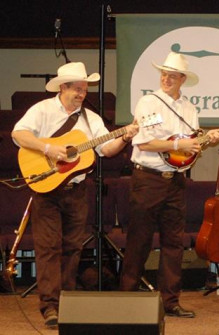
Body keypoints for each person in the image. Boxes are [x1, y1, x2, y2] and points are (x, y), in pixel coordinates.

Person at [11, 61, 139, 327]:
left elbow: (107, 150)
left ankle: (65, 302)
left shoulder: (91, 119)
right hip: (46, 190)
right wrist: (48, 148)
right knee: (48, 247)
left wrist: (126, 136)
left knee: (72, 248)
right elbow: (18, 134)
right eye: (77, 88)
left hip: (77, 190)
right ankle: (49, 306)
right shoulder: (43, 110)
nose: (82, 93)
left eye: (85, 89)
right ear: (63, 87)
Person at [119, 52, 219, 318]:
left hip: (176, 181)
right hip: (148, 178)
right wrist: (178, 144)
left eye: (172, 75)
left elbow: (191, 149)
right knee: (139, 240)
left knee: (173, 243)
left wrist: (208, 140)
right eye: (163, 74)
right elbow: (142, 143)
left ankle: (170, 301)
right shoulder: (148, 102)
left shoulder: (189, 108)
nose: (166, 79)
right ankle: (126, 298)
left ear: (182, 79)